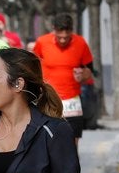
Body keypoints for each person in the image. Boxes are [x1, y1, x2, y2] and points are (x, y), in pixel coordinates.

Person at [31, 14, 95, 146]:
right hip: (48, 99)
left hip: (72, 100)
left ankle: (71, 166)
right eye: (59, 37)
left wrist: (83, 75)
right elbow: (32, 65)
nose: (63, 40)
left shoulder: (81, 43)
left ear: (72, 30)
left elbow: (89, 71)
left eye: (66, 37)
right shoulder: (42, 42)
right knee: (48, 141)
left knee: (72, 143)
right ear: (54, 29)